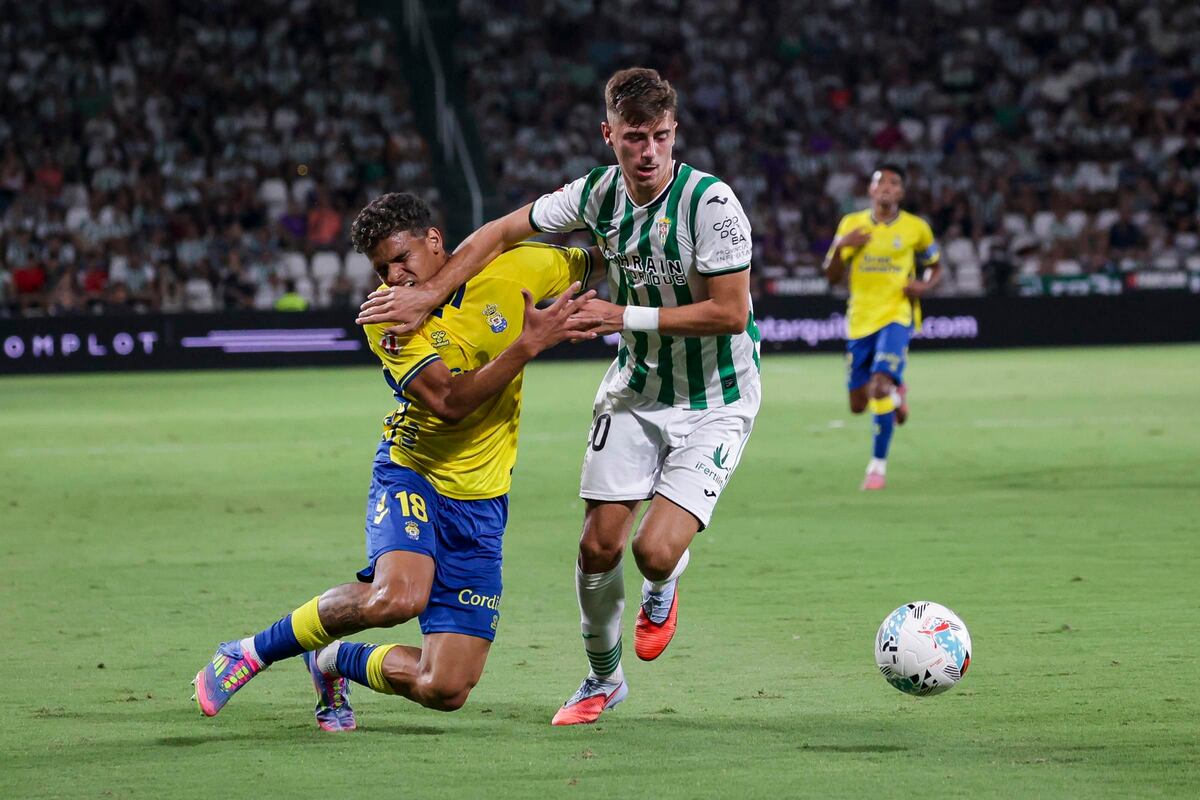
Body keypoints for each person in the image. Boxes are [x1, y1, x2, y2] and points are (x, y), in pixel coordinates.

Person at [356, 68, 761, 725]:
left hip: (717, 395)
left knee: (652, 550)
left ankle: (666, 581)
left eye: (660, 136)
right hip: (636, 386)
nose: (648, 151)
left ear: (675, 133)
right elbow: (499, 231)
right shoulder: (596, 195)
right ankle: (603, 680)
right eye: (634, 138)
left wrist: (620, 317)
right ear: (610, 136)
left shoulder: (711, 206)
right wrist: (429, 292)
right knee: (596, 547)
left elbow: (731, 313)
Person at [192, 192, 599, 730]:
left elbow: (605, 256)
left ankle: (333, 659)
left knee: (446, 688)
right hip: (414, 474)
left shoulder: (516, 269)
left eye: (402, 257)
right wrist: (527, 346)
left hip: (482, 499)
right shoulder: (386, 316)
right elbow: (450, 402)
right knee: (397, 597)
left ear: (435, 242)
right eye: (382, 267)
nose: (394, 275)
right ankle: (247, 651)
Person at [823, 164, 942, 491]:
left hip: (897, 315)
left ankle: (877, 468)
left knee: (877, 386)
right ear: (871, 191)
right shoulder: (852, 224)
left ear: (901, 193)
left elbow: (935, 267)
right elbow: (831, 276)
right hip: (860, 319)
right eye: (881, 183)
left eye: (894, 183)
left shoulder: (917, 228)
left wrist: (924, 287)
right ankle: (896, 392)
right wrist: (842, 245)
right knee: (858, 404)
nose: (887, 187)